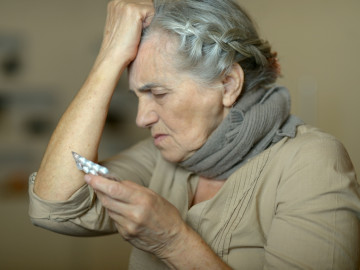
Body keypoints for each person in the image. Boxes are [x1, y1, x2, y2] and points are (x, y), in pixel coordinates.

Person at [28, 0, 360, 269]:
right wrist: (108, 59)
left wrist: (173, 241)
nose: (142, 118)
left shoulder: (310, 162)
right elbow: (53, 207)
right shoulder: (160, 156)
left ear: (227, 84)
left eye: (158, 94)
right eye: (137, 96)